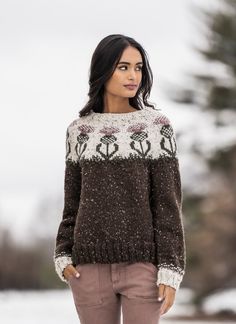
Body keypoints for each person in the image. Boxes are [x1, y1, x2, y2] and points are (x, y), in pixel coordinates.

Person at [53, 34, 186, 324]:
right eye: (123, 67)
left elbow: (167, 204)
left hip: (143, 269)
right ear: (103, 69)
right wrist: (63, 255)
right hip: (88, 269)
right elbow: (72, 202)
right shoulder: (79, 131)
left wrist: (170, 266)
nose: (133, 76)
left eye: (138, 68)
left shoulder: (155, 127)